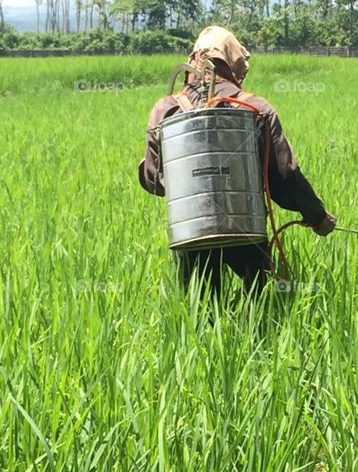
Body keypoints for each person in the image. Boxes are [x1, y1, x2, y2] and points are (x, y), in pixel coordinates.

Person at [138, 26, 336, 296]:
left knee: (200, 318)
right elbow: (284, 175)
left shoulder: (166, 109)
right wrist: (316, 216)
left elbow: (154, 182)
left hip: (192, 232)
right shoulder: (256, 107)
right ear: (233, 63)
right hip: (246, 229)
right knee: (259, 309)